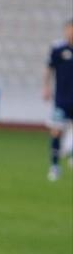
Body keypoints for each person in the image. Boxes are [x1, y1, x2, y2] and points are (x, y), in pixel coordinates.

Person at [42, 19, 73, 182]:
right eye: (68, 29)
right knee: (56, 130)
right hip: (62, 98)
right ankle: (55, 166)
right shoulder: (58, 48)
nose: (70, 32)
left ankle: (70, 151)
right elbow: (49, 68)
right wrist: (46, 87)